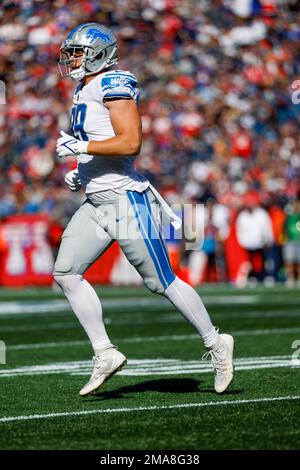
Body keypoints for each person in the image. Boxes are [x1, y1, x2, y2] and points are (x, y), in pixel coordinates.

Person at [54, 22, 234, 397]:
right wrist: (81, 172)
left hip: (125, 200)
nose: (70, 58)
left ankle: (216, 342)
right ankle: (104, 352)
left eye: (76, 52)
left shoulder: (113, 82)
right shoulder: (83, 87)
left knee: (161, 281)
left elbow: (130, 142)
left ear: (99, 53)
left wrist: (83, 150)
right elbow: (101, 142)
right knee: (67, 273)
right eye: (69, 52)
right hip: (97, 200)